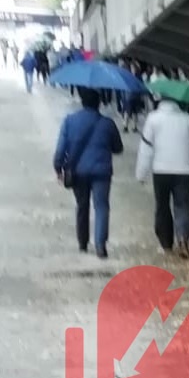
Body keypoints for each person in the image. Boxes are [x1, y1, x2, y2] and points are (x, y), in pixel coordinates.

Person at [53, 88, 123, 259]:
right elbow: (118, 148)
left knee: (82, 206)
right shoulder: (107, 123)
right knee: (102, 206)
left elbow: (61, 148)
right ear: (98, 104)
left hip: (78, 171)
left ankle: (83, 243)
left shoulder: (70, 121)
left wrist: (58, 168)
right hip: (101, 171)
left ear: (82, 101)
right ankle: (100, 245)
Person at [137, 96, 189, 259]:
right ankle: (182, 237)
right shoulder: (187, 119)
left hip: (160, 170)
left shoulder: (153, 118)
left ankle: (166, 243)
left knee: (162, 206)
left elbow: (146, 147)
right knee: (182, 205)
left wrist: (141, 172)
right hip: (182, 171)